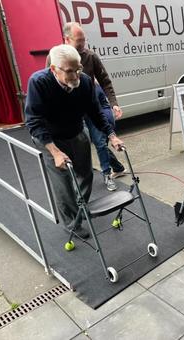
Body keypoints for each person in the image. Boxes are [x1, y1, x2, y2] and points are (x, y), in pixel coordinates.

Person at [25, 44, 124, 239]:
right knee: (63, 184)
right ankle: (73, 223)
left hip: (76, 131)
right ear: (54, 69)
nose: (76, 75)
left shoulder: (85, 82)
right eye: (70, 71)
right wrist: (55, 153)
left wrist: (112, 136)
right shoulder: (39, 82)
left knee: (85, 174)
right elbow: (33, 121)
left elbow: (96, 113)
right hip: (50, 138)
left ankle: (81, 207)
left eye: (78, 69)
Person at [62, 22, 128, 181]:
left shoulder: (90, 56)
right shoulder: (58, 57)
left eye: (84, 40)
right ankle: (116, 167)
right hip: (72, 112)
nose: (83, 44)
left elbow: (105, 81)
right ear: (67, 40)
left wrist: (114, 103)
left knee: (99, 141)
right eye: (79, 41)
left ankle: (107, 175)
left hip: (91, 107)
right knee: (82, 145)